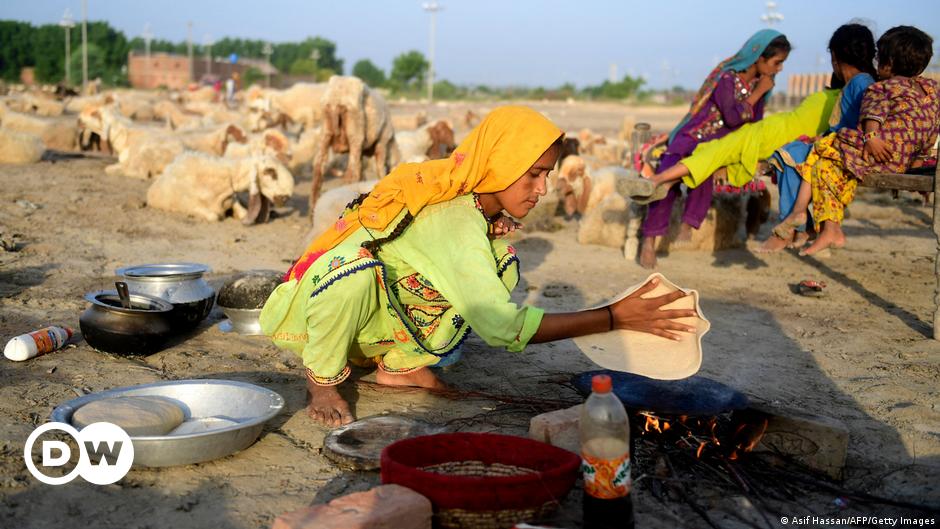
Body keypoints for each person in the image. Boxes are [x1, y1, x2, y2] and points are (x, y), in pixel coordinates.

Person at [260, 106, 699, 427]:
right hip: (317, 309)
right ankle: (321, 378)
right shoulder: (456, 218)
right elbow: (499, 325)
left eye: (547, 175)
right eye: (533, 174)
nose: (542, 189)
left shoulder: (473, 211)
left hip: (376, 311)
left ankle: (401, 365)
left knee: (500, 262)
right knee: (354, 276)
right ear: (500, 165)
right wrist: (612, 317)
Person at [777, 26, 939, 256]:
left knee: (825, 149)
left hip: (877, 156)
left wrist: (871, 137)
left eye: (879, 58)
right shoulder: (930, 91)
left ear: (888, 62)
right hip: (905, 161)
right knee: (828, 163)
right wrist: (918, 162)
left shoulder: (881, 88)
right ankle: (824, 226)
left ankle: (812, 218)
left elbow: (873, 115)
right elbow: (931, 130)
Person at [638, 29, 791, 269]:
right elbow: (731, 117)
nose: (779, 69)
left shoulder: (762, 87)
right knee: (667, 174)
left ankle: (688, 224)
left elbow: (755, 124)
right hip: (693, 136)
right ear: (759, 56)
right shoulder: (727, 79)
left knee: (705, 166)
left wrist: (760, 94)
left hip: (721, 147)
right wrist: (757, 93)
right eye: (777, 62)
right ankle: (648, 242)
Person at [759, 24, 877, 253]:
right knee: (790, 152)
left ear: (835, 56)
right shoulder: (858, 82)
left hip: (844, 149)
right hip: (836, 143)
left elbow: (864, 121)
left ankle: (794, 225)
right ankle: (799, 225)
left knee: (788, 155)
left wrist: (829, 140)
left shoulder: (861, 83)